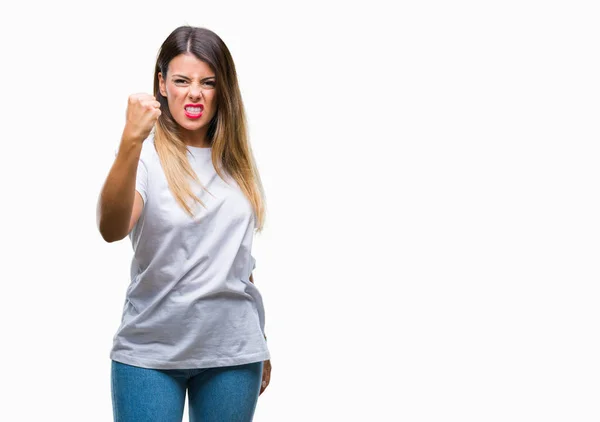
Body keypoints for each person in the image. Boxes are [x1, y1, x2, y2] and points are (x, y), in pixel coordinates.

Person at [96, 25, 271, 422]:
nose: (195, 92)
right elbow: (110, 228)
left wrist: (258, 341)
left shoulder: (237, 161)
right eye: (182, 80)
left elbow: (238, 260)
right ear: (161, 84)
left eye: (208, 82)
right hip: (150, 353)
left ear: (222, 89)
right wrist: (129, 142)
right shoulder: (144, 156)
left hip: (232, 353)